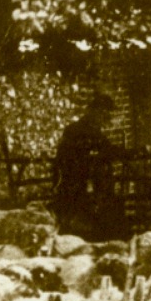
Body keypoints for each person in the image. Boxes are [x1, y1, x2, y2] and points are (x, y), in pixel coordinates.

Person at [52, 91, 121, 240]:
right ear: (94, 111)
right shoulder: (83, 131)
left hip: (78, 183)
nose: (105, 120)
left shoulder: (79, 129)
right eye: (104, 115)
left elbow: (106, 150)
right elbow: (108, 151)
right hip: (77, 186)